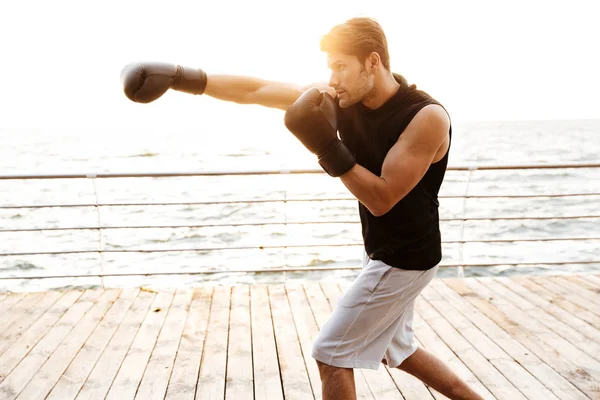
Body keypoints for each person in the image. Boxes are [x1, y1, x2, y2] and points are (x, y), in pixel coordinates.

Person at [121, 16, 485, 400]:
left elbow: (381, 199)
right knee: (400, 349)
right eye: (331, 67)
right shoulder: (342, 95)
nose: (333, 77)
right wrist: (184, 78)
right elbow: (257, 90)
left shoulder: (425, 117)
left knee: (330, 354)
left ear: (373, 62)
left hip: (406, 258)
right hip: (383, 250)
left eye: (341, 66)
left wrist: (326, 147)